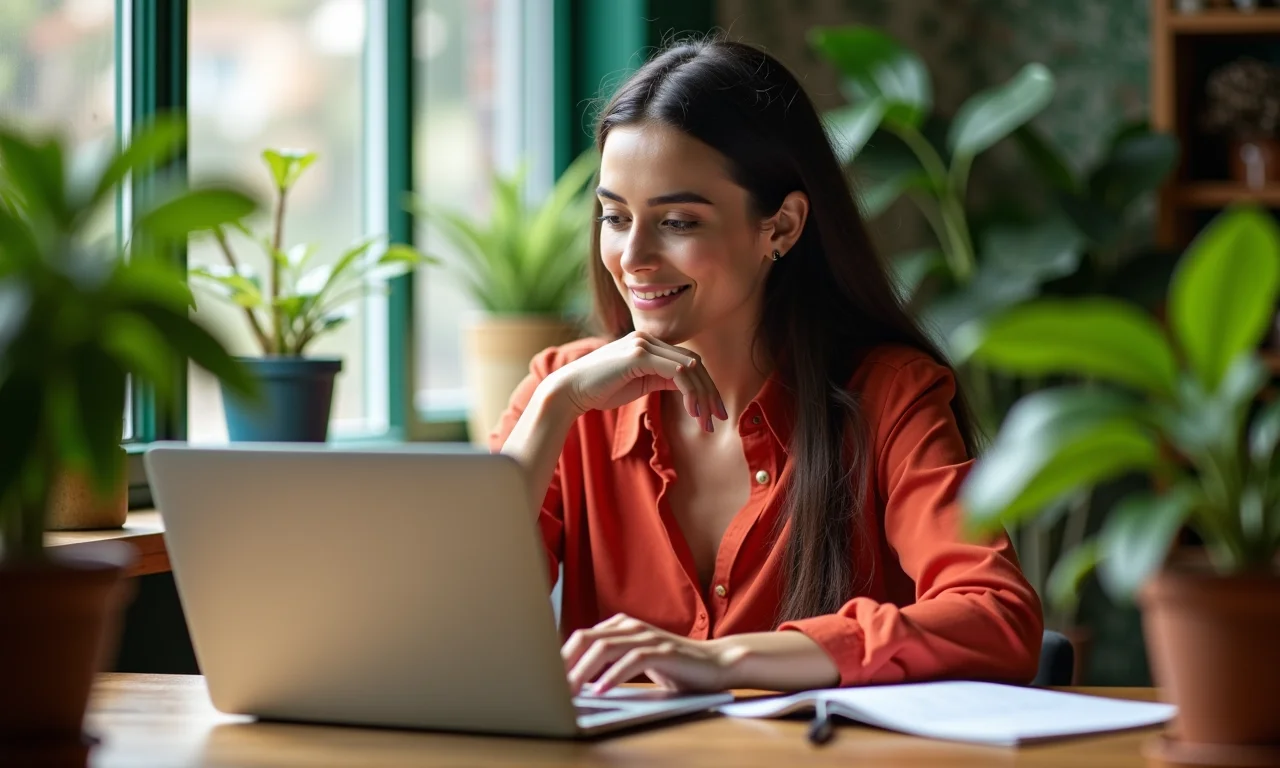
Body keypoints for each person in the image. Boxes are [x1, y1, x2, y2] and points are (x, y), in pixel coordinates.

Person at [491, 36, 1044, 697]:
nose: (631, 256)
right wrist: (555, 407)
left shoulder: (890, 395)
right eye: (615, 216)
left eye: (677, 222)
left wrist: (726, 661)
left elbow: (997, 617)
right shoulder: (561, 392)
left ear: (780, 227)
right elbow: (448, 614)